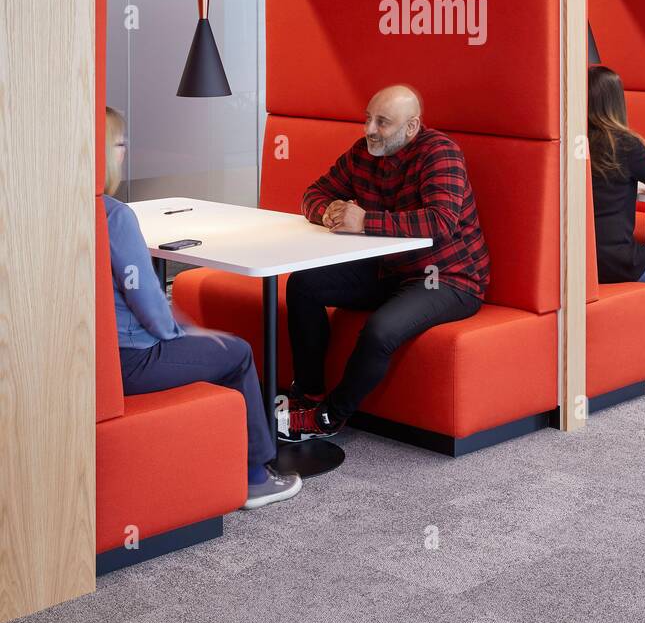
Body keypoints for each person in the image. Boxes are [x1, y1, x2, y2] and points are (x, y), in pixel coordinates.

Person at [103, 107, 301, 509]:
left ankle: (220, 460)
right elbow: (150, 310)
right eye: (120, 144)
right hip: (130, 361)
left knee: (210, 342)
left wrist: (184, 330)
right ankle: (255, 477)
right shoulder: (116, 217)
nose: (125, 152)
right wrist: (183, 335)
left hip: (93, 359)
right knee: (239, 352)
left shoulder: (61, 211)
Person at [284, 84, 488, 438]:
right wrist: (328, 213)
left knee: (380, 330)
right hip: (388, 267)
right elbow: (312, 194)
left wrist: (363, 222)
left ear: (412, 126)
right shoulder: (363, 153)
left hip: (446, 276)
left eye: (382, 122)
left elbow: (440, 222)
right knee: (303, 284)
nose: (369, 130)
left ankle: (329, 417)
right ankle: (308, 392)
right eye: (368, 119)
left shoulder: (440, 153)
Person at [588, 65, 645, 297]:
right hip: (615, 260)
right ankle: (642, 324)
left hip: (576, 259)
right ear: (616, 102)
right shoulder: (624, 144)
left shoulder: (570, 141)